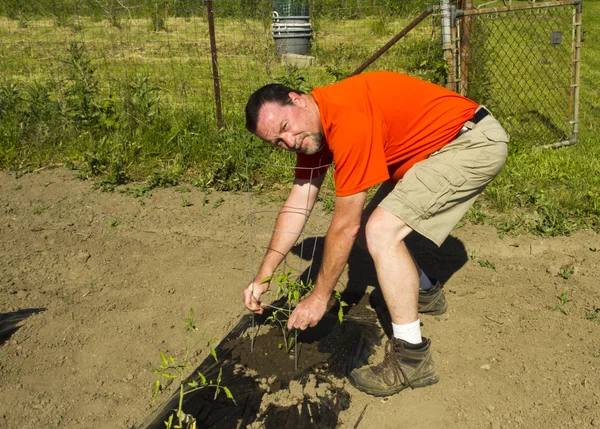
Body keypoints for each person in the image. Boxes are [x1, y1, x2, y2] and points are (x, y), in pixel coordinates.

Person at [242, 71, 508, 397]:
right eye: (277, 143)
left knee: (379, 230)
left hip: (470, 142)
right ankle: (424, 291)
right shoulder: (313, 131)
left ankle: (412, 359)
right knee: (370, 232)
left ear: (296, 99)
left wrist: (319, 297)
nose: (289, 142)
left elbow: (344, 225)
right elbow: (299, 201)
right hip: (433, 151)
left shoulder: (346, 118)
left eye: (285, 128)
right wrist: (264, 273)